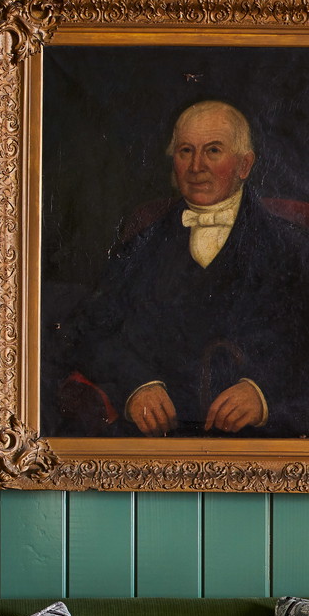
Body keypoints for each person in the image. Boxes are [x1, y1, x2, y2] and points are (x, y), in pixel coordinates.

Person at [53, 100, 309, 438]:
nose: (196, 166)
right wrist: (135, 385)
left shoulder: (293, 248)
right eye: (185, 151)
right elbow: (88, 331)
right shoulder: (140, 246)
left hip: (259, 441)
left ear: (244, 165)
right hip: (155, 440)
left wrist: (262, 393)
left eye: (213, 151)